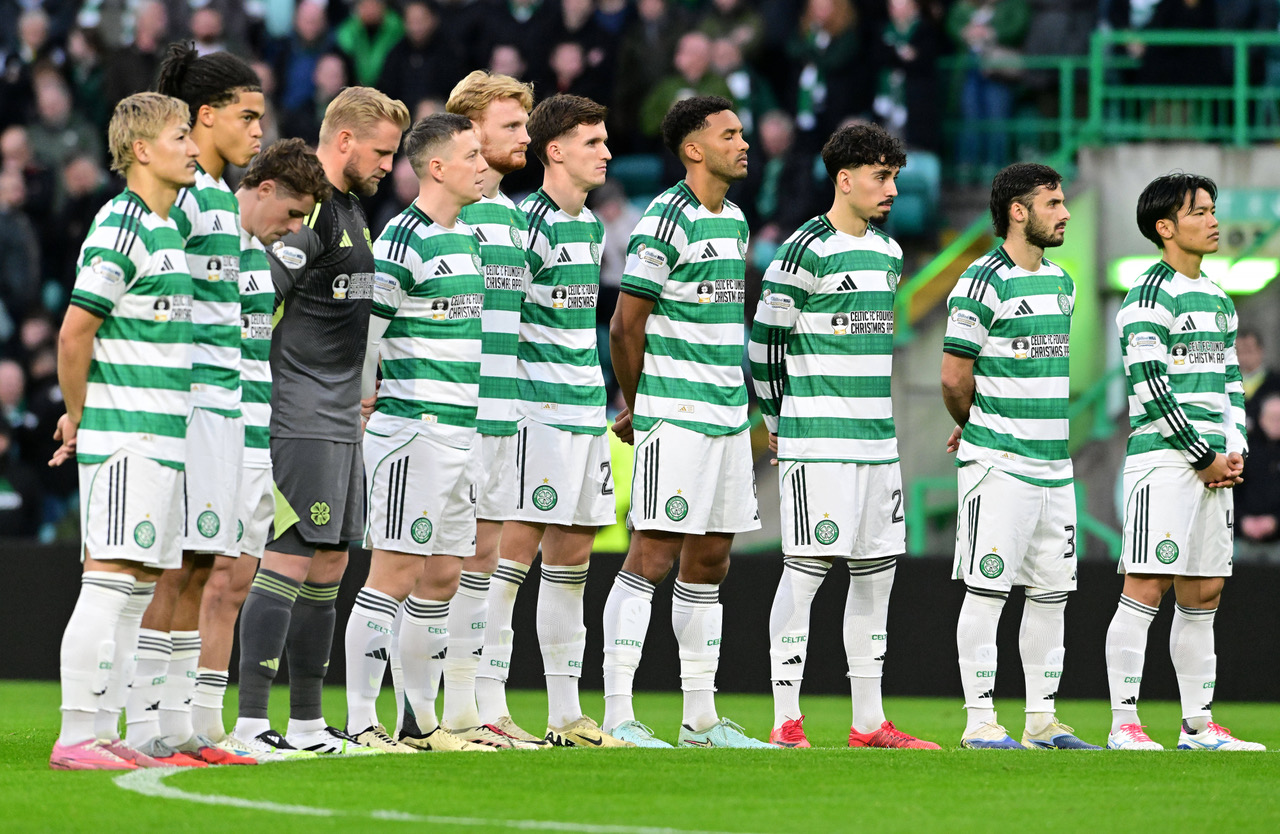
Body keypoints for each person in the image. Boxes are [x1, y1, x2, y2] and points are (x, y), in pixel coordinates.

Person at [748, 122, 939, 750]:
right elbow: (764, 343)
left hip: (877, 444)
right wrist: (779, 422)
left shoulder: (888, 255)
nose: (891, 190)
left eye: (894, 178)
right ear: (845, 179)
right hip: (818, 441)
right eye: (881, 177)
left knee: (875, 577)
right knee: (805, 574)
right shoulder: (805, 248)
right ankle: (785, 719)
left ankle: (867, 721)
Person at [231, 85, 410, 756]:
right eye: (382, 151)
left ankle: (306, 721)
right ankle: (251, 721)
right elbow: (258, 300)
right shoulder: (307, 220)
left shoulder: (353, 214)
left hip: (340, 417)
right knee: (290, 558)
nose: (390, 164)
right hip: (302, 413)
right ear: (344, 142)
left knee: (330, 565)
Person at [112, 42, 263, 768]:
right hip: (191, 400)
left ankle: (177, 725)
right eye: (247, 115)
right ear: (207, 116)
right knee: (175, 566)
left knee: (204, 563)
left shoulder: (217, 200)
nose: (258, 129)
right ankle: (141, 723)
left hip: (225, 401)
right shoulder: (187, 195)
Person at [604, 96, 767, 749]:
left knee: (712, 558)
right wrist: (640, 403)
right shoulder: (664, 220)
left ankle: (700, 718)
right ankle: (618, 713)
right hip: (676, 411)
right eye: (729, 133)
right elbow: (625, 323)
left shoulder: (734, 220)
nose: (743, 142)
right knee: (652, 552)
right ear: (694, 148)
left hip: (728, 415)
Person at [49, 91, 199, 771]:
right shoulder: (123, 225)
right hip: (127, 436)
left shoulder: (167, 231)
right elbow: (76, 331)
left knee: (137, 588)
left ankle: (104, 730)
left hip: (163, 439)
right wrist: (79, 416)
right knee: (108, 580)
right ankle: (76, 733)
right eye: (179, 136)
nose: (193, 147)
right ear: (141, 150)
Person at [344, 113, 492, 753]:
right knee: (394, 572)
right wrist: (362, 405)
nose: (483, 165)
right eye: (472, 155)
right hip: (413, 431)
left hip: (462, 431)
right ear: (437, 168)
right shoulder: (403, 238)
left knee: (443, 579)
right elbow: (365, 334)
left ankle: (417, 720)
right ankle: (358, 721)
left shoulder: (467, 240)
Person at [482, 93, 627, 748]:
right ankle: (488, 704)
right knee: (510, 564)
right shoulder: (524, 227)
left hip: (581, 415)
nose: (606, 152)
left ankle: (566, 715)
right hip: (531, 414)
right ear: (556, 150)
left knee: (571, 564)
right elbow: (501, 326)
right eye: (593, 142)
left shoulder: (591, 226)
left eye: (605, 140)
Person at [1104, 173, 1264, 752]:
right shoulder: (1149, 294)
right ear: (1166, 228)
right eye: (1199, 212)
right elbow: (1148, 385)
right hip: (1165, 464)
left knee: (1204, 593)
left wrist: (1235, 448)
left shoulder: (1219, 298)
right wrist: (1202, 455)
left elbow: (1230, 383)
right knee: (1146, 584)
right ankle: (1124, 723)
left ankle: (1198, 725)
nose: (1213, 220)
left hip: (1214, 466)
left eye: (1213, 209)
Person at [941, 162, 1097, 750]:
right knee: (988, 590)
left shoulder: (1062, 282)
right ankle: (979, 719)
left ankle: (1040, 720)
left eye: (1062, 202)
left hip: (1055, 466)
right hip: (999, 464)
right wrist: (975, 426)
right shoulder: (983, 280)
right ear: (1018, 211)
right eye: (1053, 203)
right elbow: (954, 377)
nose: (1064, 212)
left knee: (1052, 593)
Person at [190, 138, 331, 760]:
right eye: (294, 214)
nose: (295, 230)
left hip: (254, 434)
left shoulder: (258, 258)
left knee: (237, 575)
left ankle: (207, 720)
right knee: (194, 574)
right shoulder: (216, 247)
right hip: (208, 431)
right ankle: (149, 711)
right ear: (264, 187)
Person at [439, 70, 548, 749]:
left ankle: (485, 704)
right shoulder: (454, 216)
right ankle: (444, 710)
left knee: (490, 562)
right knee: (447, 564)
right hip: (458, 412)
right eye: (510, 126)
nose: (524, 137)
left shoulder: (510, 214)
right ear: (469, 132)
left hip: (505, 413)